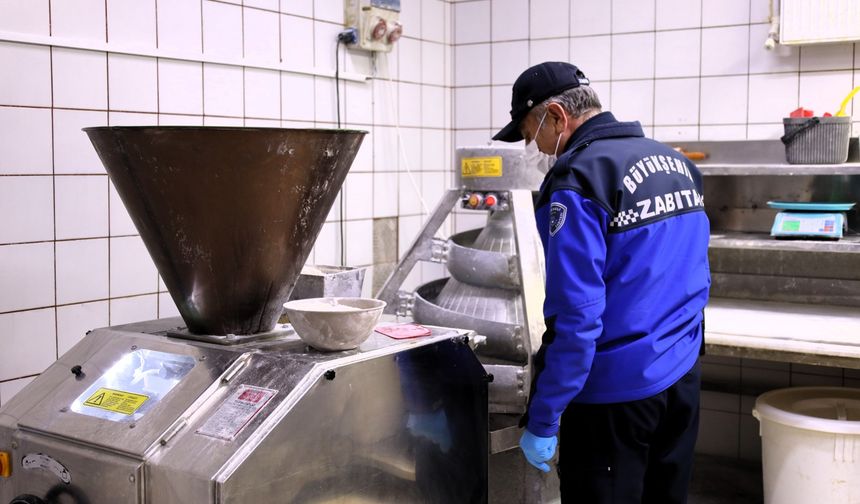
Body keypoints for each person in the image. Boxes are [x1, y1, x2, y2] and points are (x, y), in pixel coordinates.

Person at [493, 61, 710, 503]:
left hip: (615, 399)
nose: (535, 147)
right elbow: (695, 271)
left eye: (530, 130)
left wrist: (545, 417)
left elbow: (577, 317)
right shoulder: (675, 162)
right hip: (681, 377)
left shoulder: (578, 179)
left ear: (556, 115)